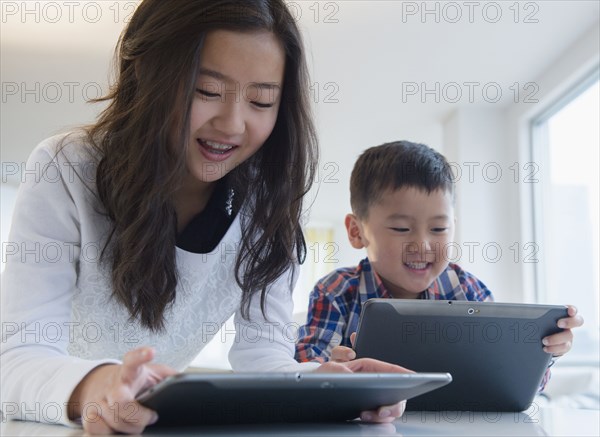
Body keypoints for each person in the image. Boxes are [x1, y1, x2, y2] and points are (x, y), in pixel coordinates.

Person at [0, 1, 409, 434]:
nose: (232, 124)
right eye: (206, 92)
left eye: (261, 100)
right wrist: (98, 386)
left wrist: (319, 385)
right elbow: (16, 359)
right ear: (146, 76)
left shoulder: (265, 203)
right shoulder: (66, 167)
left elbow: (263, 357)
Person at [295, 141, 583, 371]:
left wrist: (543, 353)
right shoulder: (335, 292)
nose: (422, 245)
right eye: (401, 228)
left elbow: (508, 378)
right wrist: (331, 369)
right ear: (357, 231)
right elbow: (307, 365)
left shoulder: (468, 292)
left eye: (438, 228)